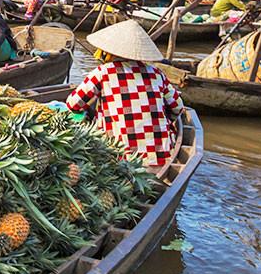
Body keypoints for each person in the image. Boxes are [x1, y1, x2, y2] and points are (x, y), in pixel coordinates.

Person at [65, 20, 184, 167]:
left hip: (119, 161)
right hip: (159, 159)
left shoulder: (103, 72)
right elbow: (178, 108)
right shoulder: (156, 73)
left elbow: (73, 104)